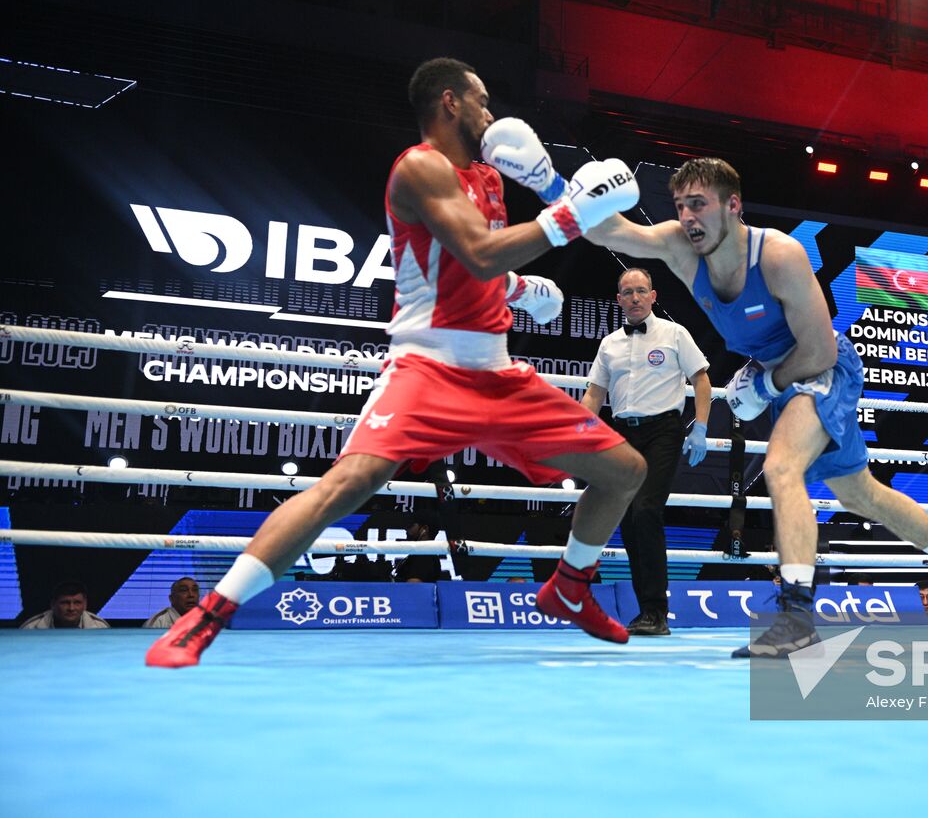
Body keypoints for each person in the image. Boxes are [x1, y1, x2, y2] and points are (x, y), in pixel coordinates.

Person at [147, 57, 647, 667]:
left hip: (496, 371)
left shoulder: (488, 180)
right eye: (482, 100)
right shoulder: (419, 168)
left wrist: (518, 288)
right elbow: (481, 253)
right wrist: (567, 214)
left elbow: (468, 270)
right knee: (349, 484)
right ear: (449, 102)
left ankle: (569, 587)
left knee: (624, 470)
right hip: (428, 367)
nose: (491, 114)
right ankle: (208, 615)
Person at [583, 157, 928, 657]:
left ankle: (797, 618)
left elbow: (820, 350)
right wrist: (557, 189)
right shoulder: (680, 247)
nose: (688, 217)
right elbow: (613, 232)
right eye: (680, 206)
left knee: (782, 468)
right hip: (784, 380)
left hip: (823, 369)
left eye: (699, 204)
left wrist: (763, 383)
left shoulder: (778, 255)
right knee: (859, 494)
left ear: (733, 206)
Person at [580, 266, 712, 636]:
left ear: (653, 296)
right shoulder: (610, 344)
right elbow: (595, 393)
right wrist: (577, 430)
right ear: (619, 299)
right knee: (628, 521)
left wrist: (699, 426)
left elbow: (701, 378)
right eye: (627, 292)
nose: (635, 298)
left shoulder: (674, 333)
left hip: (663, 433)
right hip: (623, 434)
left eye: (641, 291)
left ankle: (657, 610)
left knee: (646, 510)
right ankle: (647, 611)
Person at [20, 581, 110, 629]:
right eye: (65, 603)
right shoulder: (31, 628)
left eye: (77, 603)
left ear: (85, 604)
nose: (71, 608)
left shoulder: (100, 628)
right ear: (53, 604)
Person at [393, 516, 445, 584]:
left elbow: (413, 588)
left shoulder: (423, 555)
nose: (406, 530)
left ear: (424, 529)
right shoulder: (423, 553)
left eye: (411, 526)